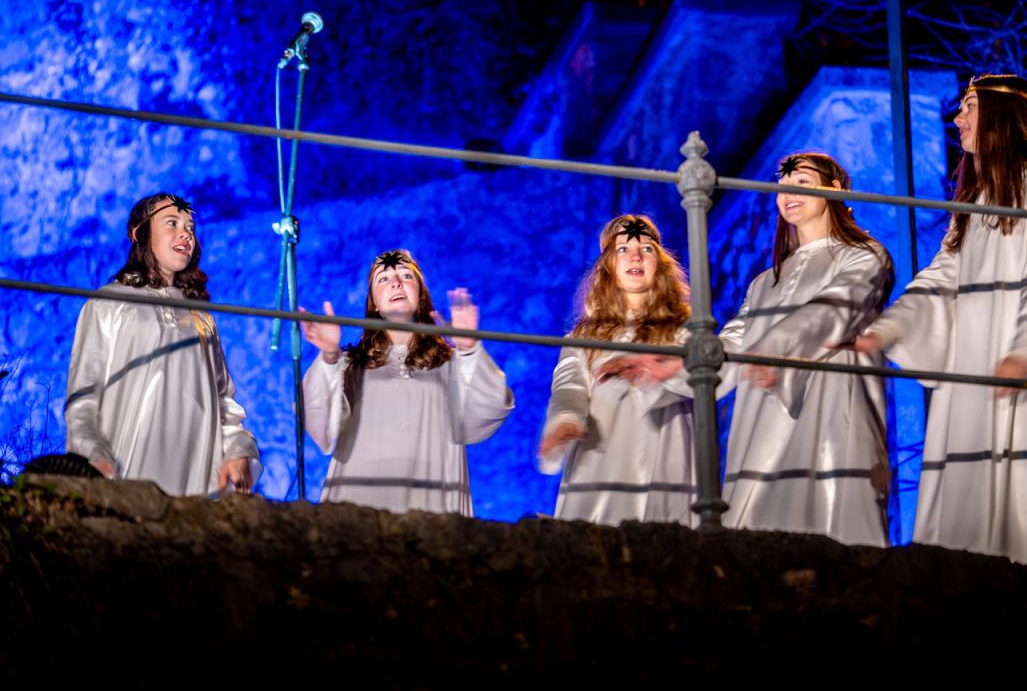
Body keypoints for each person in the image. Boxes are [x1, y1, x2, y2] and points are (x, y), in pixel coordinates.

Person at [856, 73, 1027, 566]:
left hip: (1024, 368)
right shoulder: (973, 201)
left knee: (1026, 496)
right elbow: (941, 275)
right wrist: (888, 327)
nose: (957, 119)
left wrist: (1023, 352)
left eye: (969, 107)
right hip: (973, 369)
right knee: (967, 498)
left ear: (1002, 116)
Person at [604, 154, 894, 545]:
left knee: (829, 513)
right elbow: (733, 341)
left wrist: (773, 349)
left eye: (802, 182)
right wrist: (675, 366)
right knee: (760, 523)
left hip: (828, 399)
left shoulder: (864, 256)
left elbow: (835, 309)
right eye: (782, 184)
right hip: (762, 412)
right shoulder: (764, 283)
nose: (788, 192)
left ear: (835, 190)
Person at [65, 193, 259, 496]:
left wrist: (237, 449)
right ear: (139, 233)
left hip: (198, 473)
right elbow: (84, 395)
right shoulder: (108, 303)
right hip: (127, 467)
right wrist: (91, 454)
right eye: (172, 223)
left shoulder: (201, 317)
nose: (186, 234)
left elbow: (224, 400)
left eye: (190, 228)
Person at [300, 249, 513, 515]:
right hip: (359, 501)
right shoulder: (351, 366)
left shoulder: (452, 365)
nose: (396, 283)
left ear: (421, 294)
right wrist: (329, 356)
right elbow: (320, 425)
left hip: (431, 499)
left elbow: (488, 411)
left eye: (406, 276)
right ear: (374, 304)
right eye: (383, 279)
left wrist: (469, 348)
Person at [537, 215, 697, 525]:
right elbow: (569, 386)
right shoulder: (583, 338)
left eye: (646, 249)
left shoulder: (684, 330)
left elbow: (702, 378)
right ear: (608, 265)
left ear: (660, 264)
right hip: (602, 454)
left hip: (664, 453)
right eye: (623, 249)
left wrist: (656, 370)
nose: (636, 256)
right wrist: (565, 420)